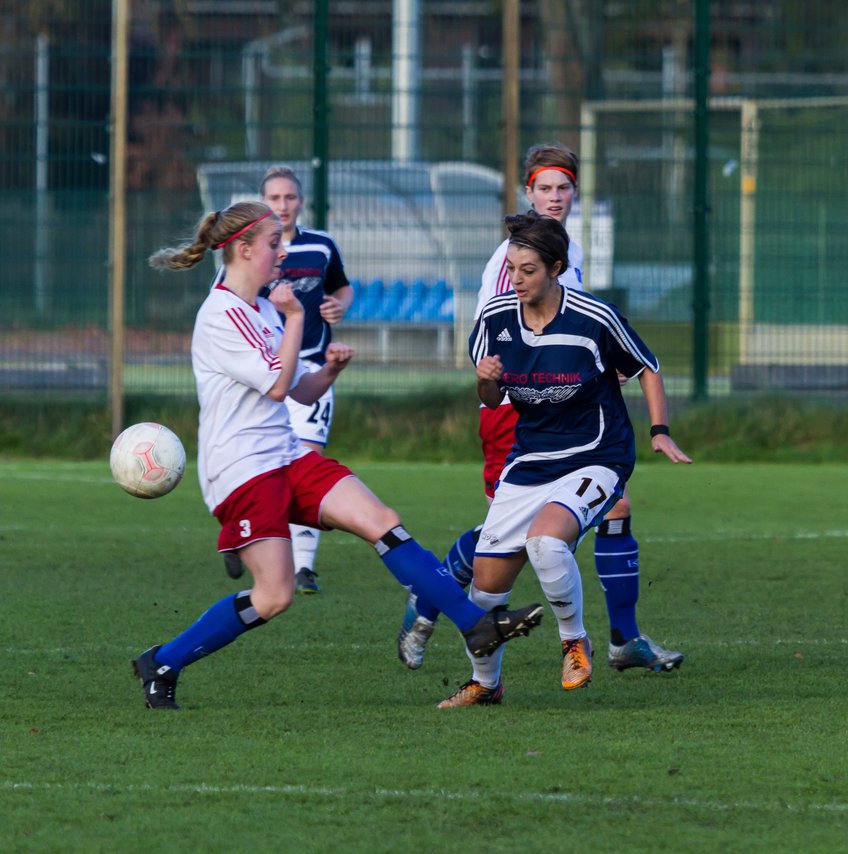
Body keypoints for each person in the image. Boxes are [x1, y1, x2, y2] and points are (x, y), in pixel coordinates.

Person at [131, 201, 543, 710]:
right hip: (242, 471)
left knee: (382, 521)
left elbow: (300, 390)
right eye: (273, 244)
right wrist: (298, 316)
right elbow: (280, 385)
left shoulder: (260, 307)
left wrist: (328, 372)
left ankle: (475, 626)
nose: (282, 253)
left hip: (286, 454)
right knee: (275, 596)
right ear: (242, 249)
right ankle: (163, 661)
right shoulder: (222, 316)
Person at [397, 143, 686, 676]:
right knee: (502, 538)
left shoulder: (553, 251)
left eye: (564, 188)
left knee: (610, 510)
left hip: (568, 414)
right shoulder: (518, 257)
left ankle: (621, 639)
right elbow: (504, 341)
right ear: (527, 194)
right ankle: (431, 600)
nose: (555, 197)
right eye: (544, 189)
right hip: (517, 407)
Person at [219, 165, 352, 594]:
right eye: (275, 199)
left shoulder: (322, 246)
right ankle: (241, 531)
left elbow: (343, 289)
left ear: (300, 201)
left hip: (311, 366)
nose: (283, 205)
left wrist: (337, 305)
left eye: (290, 197)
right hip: (262, 374)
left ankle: (304, 566)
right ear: (263, 203)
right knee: (259, 462)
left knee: (308, 460)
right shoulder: (250, 253)